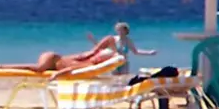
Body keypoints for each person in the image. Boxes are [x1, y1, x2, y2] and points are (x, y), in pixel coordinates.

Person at [21, 22, 150, 74]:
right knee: (114, 78)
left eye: (121, 30)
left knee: (121, 79)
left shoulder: (127, 42)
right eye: (118, 30)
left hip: (121, 63)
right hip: (112, 63)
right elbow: (96, 50)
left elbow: (136, 52)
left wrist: (149, 53)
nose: (119, 32)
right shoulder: (111, 40)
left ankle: (3, 66)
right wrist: (93, 42)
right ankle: (3, 67)